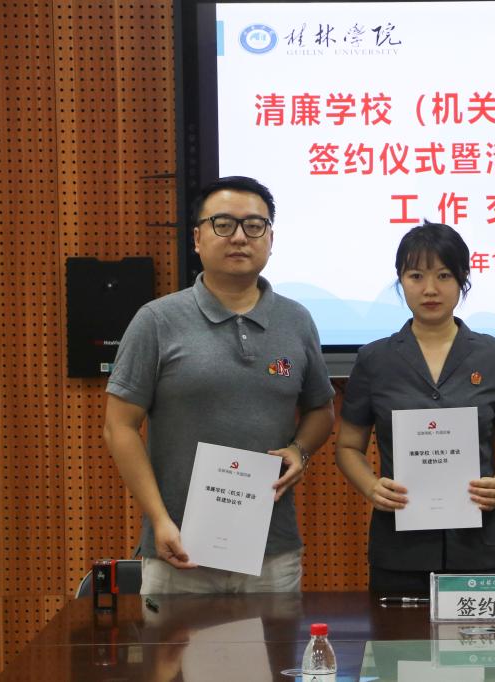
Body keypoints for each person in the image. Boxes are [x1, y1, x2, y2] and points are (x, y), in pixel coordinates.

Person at [103, 176, 335, 594]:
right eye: (223, 224)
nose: (240, 237)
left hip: (271, 552)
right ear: (197, 238)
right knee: (174, 643)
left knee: (275, 642)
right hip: (179, 549)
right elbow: (119, 426)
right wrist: (159, 520)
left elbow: (321, 409)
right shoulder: (156, 321)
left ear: (270, 239)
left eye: (254, 226)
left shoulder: (297, 320)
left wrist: (300, 450)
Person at [334, 221, 495, 594]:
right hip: (399, 549)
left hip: (478, 544)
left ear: (462, 279)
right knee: (397, 635)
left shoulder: (493, 355)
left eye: (443, 275)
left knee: (484, 635)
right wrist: (372, 487)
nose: (430, 289)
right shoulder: (374, 359)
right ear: (400, 280)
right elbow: (347, 446)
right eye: (416, 276)